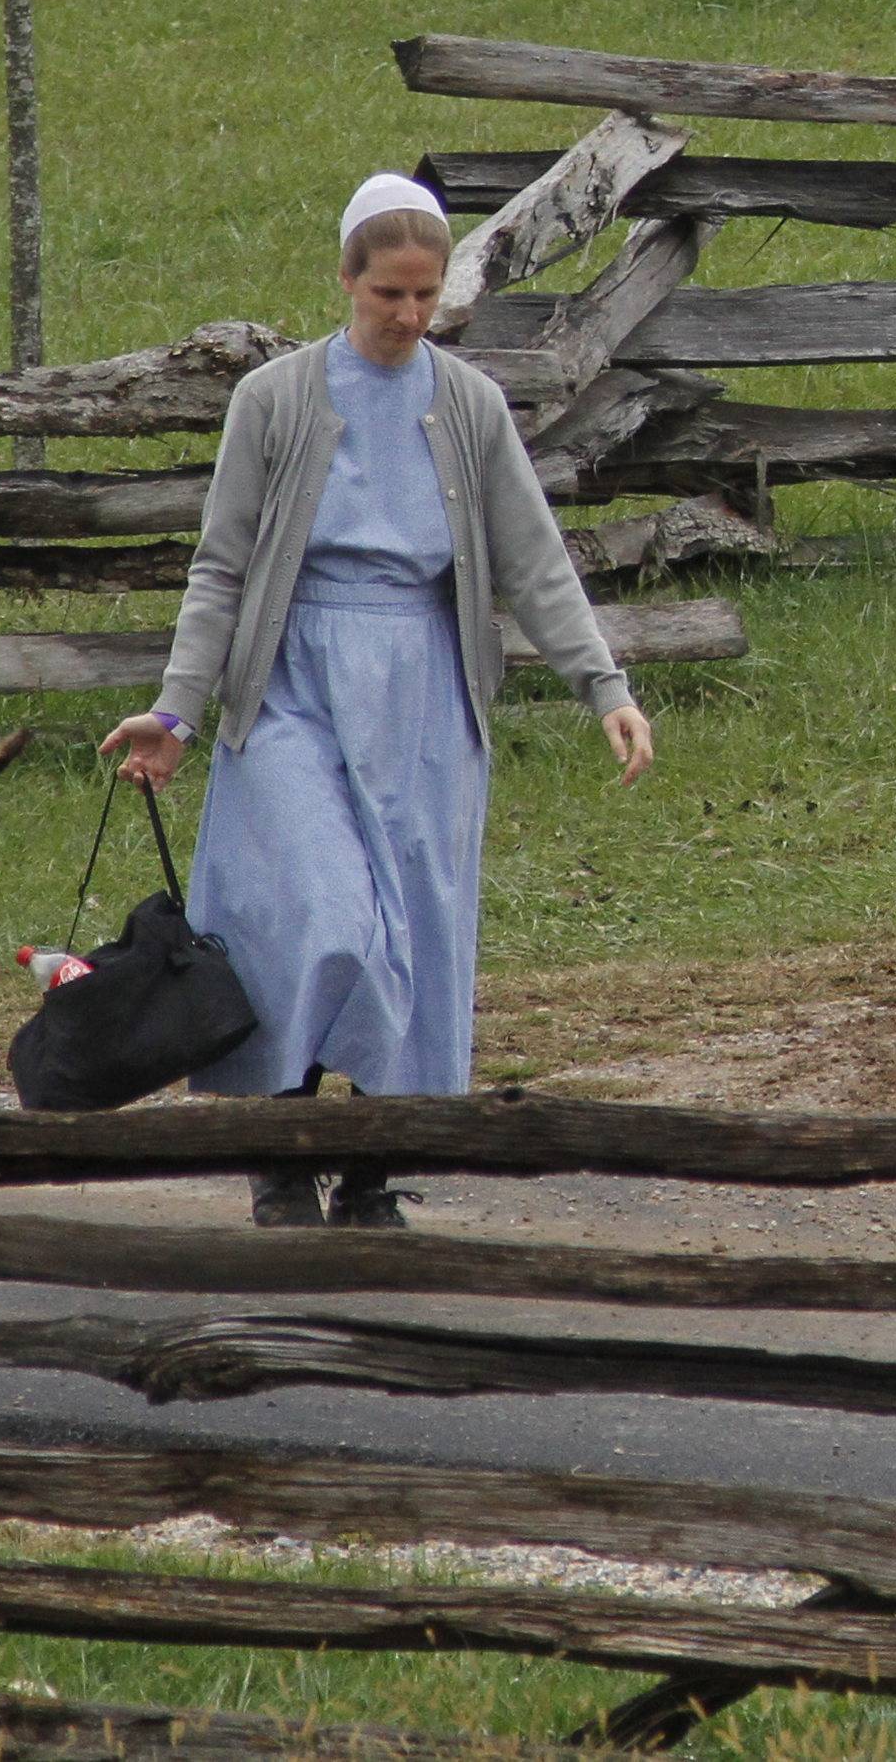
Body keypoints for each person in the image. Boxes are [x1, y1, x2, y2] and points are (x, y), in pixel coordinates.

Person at [100, 173, 656, 1225]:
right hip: (294, 678)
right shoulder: (273, 398)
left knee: (414, 925)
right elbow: (221, 567)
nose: (406, 315)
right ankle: (280, 1140)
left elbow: (531, 560)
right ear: (345, 281)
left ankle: (370, 1160)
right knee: (316, 913)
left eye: (423, 295)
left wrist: (604, 687)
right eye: (387, 294)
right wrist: (175, 712)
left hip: (420, 687)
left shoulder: (468, 402)